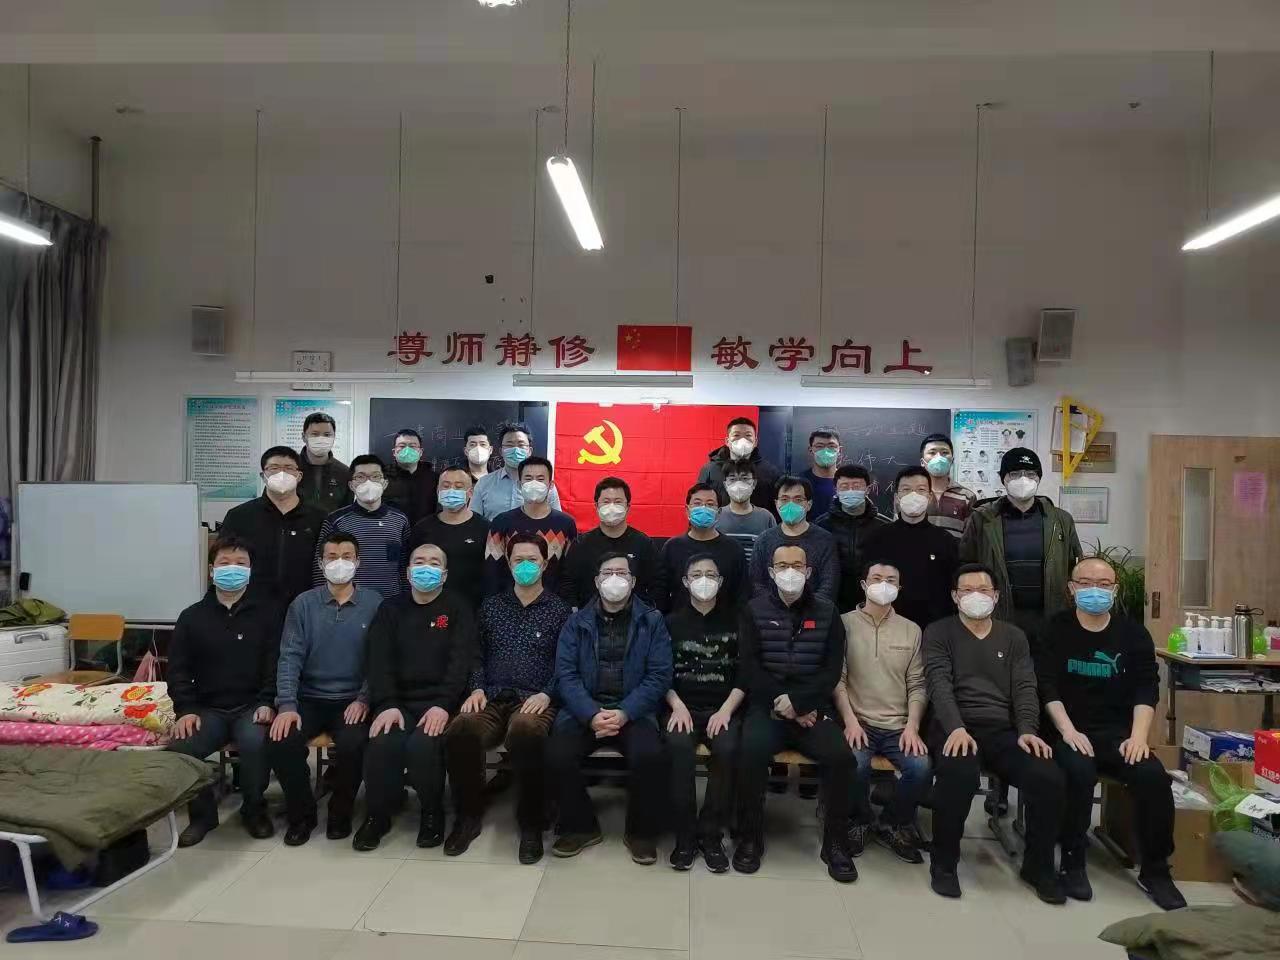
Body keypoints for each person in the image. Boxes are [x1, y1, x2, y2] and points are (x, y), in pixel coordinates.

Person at [1037, 557, 1186, 911]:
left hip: (1119, 734)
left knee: (1152, 777)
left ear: (1115, 590)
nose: (1095, 590)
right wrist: (1067, 730)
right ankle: (1072, 860)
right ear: (1071, 588)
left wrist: (1138, 738)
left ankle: (1155, 870)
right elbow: (1046, 685)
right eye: (1085, 583)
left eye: (1103, 585)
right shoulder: (1054, 629)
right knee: (1078, 771)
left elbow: (1146, 688)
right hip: (1068, 730)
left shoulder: (1133, 634)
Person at [923, 563, 1066, 903]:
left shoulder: (1013, 636)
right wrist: (956, 727)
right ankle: (944, 864)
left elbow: (1025, 687)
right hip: (954, 727)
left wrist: (1028, 730)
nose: (976, 596)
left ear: (997, 596)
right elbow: (938, 684)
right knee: (958, 774)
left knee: (1048, 777)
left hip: (1003, 730)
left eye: (983, 590)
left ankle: (1039, 867)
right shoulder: (939, 632)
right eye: (967, 590)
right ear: (955, 596)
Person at [445, 534, 572, 863]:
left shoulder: (559, 611)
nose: (525, 566)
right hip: (490, 695)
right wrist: (476, 688)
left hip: (535, 697)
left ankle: (531, 823)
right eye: (518, 560)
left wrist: (547, 693)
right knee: (461, 728)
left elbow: (568, 663)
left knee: (526, 731)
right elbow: (475, 654)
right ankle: (467, 816)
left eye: (532, 560)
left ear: (545, 564)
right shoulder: (491, 607)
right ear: (508, 563)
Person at [734, 544, 857, 883]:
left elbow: (831, 670)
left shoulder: (828, 612)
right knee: (750, 752)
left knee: (842, 759)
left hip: (812, 709)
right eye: (782, 565)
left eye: (797, 565)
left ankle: (836, 843)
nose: (790, 572)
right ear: (770, 572)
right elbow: (750, 667)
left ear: (809, 571)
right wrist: (783, 703)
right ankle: (749, 837)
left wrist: (801, 704)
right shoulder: (753, 610)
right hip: (767, 706)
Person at [545, 552, 672, 864]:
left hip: (634, 711)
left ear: (633, 581)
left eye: (622, 573)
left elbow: (659, 675)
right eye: (607, 573)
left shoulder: (652, 620)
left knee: (650, 755)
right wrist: (591, 714)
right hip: (585, 711)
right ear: (596, 581)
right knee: (556, 754)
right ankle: (580, 826)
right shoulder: (575, 622)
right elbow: (566, 675)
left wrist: (626, 711)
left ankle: (640, 833)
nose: (615, 579)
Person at [354, 543, 474, 852]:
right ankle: (377, 816)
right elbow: (378, 661)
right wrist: (387, 704)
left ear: (444, 574)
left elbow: (460, 663)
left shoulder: (457, 608)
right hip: (398, 702)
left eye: (434, 563)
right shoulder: (390, 609)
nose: (426, 568)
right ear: (407, 573)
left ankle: (432, 813)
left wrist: (443, 705)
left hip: (440, 703)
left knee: (423, 747)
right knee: (382, 742)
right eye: (419, 562)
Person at [269, 531, 383, 845]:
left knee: (353, 744)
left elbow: (380, 659)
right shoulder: (303, 604)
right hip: (309, 698)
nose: (339, 563)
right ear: (321, 563)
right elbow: (289, 656)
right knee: (281, 739)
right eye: (332, 557)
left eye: (346, 557)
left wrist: (364, 698)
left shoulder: (374, 604)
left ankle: (340, 813)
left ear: (358, 562)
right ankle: (302, 814)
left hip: (353, 700)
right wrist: (287, 705)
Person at [167, 536, 280, 847]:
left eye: (240, 563)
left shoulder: (268, 614)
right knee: (181, 748)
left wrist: (268, 701)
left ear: (251, 570)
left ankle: (254, 809)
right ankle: (203, 816)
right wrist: (185, 709)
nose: (233, 569)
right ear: (211, 570)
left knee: (255, 742)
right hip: (208, 709)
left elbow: (276, 664)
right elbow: (177, 670)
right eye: (225, 563)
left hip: (252, 706)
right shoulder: (191, 617)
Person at [832, 560, 929, 865]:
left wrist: (912, 726)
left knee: (921, 768)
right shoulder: (843, 623)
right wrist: (850, 721)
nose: (883, 584)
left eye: (890, 580)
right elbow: (838, 679)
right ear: (863, 584)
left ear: (899, 588)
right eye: (876, 578)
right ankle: (860, 821)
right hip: (858, 721)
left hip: (898, 726)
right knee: (855, 764)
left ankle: (891, 823)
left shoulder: (911, 630)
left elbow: (917, 684)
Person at [663, 554, 743, 872]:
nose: (704, 580)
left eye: (711, 574)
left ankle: (710, 835)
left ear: (721, 582)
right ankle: (684, 836)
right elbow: (658, 672)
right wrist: (676, 704)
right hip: (680, 707)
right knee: (678, 749)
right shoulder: (670, 622)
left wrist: (725, 711)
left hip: (723, 709)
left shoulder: (738, 620)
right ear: (686, 582)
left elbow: (746, 674)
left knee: (728, 750)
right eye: (697, 574)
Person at [959, 447, 1083, 646]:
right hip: (997, 616)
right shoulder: (982, 519)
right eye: (1015, 473)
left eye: (1030, 473)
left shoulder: (1061, 520)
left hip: (1050, 618)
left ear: (1039, 478)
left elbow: (1075, 567)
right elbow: (966, 564)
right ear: (1003, 479)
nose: (1023, 479)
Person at [219, 446, 326, 605]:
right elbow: (223, 560)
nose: (281, 474)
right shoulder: (239, 515)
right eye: (274, 468)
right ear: (263, 476)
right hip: (251, 604)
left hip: (304, 604)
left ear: (299, 476)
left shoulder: (319, 517)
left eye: (289, 468)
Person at [860, 466, 958, 630]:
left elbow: (952, 585)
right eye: (906, 490)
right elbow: (867, 582)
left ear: (929, 497)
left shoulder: (945, 540)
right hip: (886, 624)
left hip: (933, 627)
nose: (914, 495)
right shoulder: (877, 537)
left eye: (921, 490)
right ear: (897, 497)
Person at [312, 455, 412, 598]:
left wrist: (406, 599)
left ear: (385, 483)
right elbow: (321, 567)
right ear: (351, 485)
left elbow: (405, 565)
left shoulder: (400, 520)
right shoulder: (335, 521)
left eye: (375, 476)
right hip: (349, 603)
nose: (368, 482)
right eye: (360, 477)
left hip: (391, 601)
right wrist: (323, 601)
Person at [561, 477, 663, 609]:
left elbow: (658, 583)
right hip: (589, 616)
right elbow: (568, 582)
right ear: (596, 506)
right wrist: (575, 611)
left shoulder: (643, 543)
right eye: (606, 501)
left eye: (618, 502)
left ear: (628, 507)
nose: (612, 507)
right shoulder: (582, 544)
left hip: (634, 617)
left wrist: (648, 612)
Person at [484, 456, 578, 597]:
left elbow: (570, 571)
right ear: (519, 484)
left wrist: (566, 604)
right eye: (528, 479)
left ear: (550, 485)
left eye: (540, 479)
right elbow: (492, 570)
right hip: (508, 603)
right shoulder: (501, 522)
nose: (534, 484)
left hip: (553, 603)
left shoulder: (566, 523)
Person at [409, 467, 490, 612]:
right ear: (438, 491)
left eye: (458, 487)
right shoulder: (422, 528)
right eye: (446, 486)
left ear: (470, 492)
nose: (451, 491)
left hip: (473, 607)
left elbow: (492, 571)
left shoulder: (485, 528)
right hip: (429, 607)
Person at [659, 483, 747, 612]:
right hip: (679, 621)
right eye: (697, 503)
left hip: (724, 622)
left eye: (710, 504)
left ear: (719, 512)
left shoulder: (733, 549)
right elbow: (661, 592)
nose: (703, 508)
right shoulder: (672, 547)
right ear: (687, 509)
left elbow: (742, 594)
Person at [749, 477, 839, 602]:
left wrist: (812, 608)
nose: (790, 505)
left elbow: (829, 585)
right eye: (784, 499)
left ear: (809, 504)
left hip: (814, 610)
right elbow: (756, 583)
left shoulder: (825, 540)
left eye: (798, 499)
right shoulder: (764, 540)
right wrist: (774, 607)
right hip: (771, 611)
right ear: (776, 503)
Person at [817, 465, 890, 613]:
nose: (850, 491)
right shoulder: (821, 526)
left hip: (873, 602)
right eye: (844, 486)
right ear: (836, 490)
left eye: (856, 486)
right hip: (832, 603)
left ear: (867, 489)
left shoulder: (885, 527)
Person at [472, 422, 563, 519]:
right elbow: (474, 521)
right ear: (501, 451)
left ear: (529, 451)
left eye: (521, 445)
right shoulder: (484, 483)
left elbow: (557, 521)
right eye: (509, 445)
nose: (515, 449)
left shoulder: (545, 486)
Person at [696, 416, 781, 513]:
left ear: (755, 442)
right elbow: (699, 502)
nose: (742, 440)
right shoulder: (710, 470)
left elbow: (776, 506)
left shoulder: (770, 472)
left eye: (748, 435)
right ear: (727, 441)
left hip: (759, 522)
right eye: (736, 435)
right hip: (719, 522)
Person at [714, 459, 776, 565]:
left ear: (754, 483)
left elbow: (774, 552)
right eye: (732, 479)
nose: (738, 484)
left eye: (745, 478)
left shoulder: (766, 517)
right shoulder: (717, 516)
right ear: (725, 485)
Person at [919, 433, 976, 539]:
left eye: (944, 452)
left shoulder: (967, 496)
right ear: (922, 462)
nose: (939, 457)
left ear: (952, 460)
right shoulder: (911, 494)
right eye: (932, 452)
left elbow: (971, 540)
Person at [298, 412, 351, 514]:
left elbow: (346, 512)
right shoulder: (290, 468)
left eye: (327, 435)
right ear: (304, 437)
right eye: (315, 434)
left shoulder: (344, 472)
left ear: (334, 437)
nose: (321, 439)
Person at [384, 428, 438, 526]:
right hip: (392, 532)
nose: (407, 450)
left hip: (426, 532)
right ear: (394, 452)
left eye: (412, 446)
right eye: (402, 446)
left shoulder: (434, 479)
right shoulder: (383, 478)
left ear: (420, 452)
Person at [801, 428, 842, 521]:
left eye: (831, 446)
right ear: (810, 450)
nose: (826, 451)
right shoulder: (800, 482)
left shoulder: (848, 483)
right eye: (819, 446)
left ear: (839, 450)